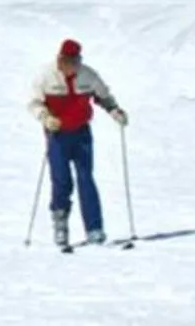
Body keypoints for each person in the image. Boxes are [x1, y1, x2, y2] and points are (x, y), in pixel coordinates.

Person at [30, 40, 126, 249]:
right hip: (57, 135)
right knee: (61, 180)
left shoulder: (88, 75)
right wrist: (45, 118)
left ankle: (94, 228)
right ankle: (60, 224)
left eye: (75, 61)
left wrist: (115, 111)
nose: (71, 66)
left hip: (81, 133)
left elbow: (103, 96)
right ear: (59, 59)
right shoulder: (46, 76)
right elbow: (34, 103)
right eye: (67, 61)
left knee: (86, 178)